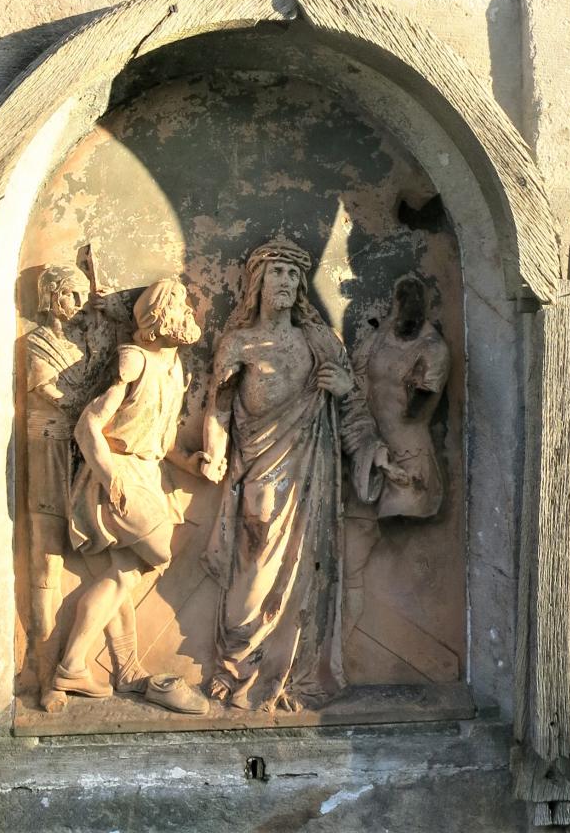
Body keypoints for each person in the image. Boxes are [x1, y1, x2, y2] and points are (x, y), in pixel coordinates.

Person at [200, 237, 385, 713]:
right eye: (276, 272)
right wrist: (213, 453)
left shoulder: (320, 342)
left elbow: (353, 411)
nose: (285, 281)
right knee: (254, 565)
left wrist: (346, 395)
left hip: (312, 475)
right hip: (258, 467)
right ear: (257, 282)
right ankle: (238, 667)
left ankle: (297, 676)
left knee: (307, 575)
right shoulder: (238, 343)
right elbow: (219, 407)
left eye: (292, 274)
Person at [42, 278, 206, 714]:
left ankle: (97, 668)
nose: (188, 314)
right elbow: (88, 426)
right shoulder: (134, 360)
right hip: (119, 472)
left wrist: (192, 464)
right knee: (159, 550)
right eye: (180, 307)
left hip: (149, 473)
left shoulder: (175, 369)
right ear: (159, 317)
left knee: (122, 576)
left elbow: (162, 439)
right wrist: (110, 476)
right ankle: (78, 666)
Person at [24, 263, 121, 701]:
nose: (79, 304)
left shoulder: (90, 341)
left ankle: (112, 662)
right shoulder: (36, 342)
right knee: (47, 560)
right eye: (71, 295)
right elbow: (51, 392)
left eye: (84, 296)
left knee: (108, 559)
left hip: (86, 452)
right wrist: (91, 404)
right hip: (50, 447)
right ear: (51, 297)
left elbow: (122, 366)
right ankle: (44, 669)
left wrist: (112, 314)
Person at [343, 274, 450, 643]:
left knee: (392, 541)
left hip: (408, 458)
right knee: (352, 548)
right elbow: (354, 381)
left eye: (414, 300)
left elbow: (418, 408)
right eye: (402, 299)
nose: (406, 309)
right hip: (365, 448)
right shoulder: (378, 338)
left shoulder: (433, 350)